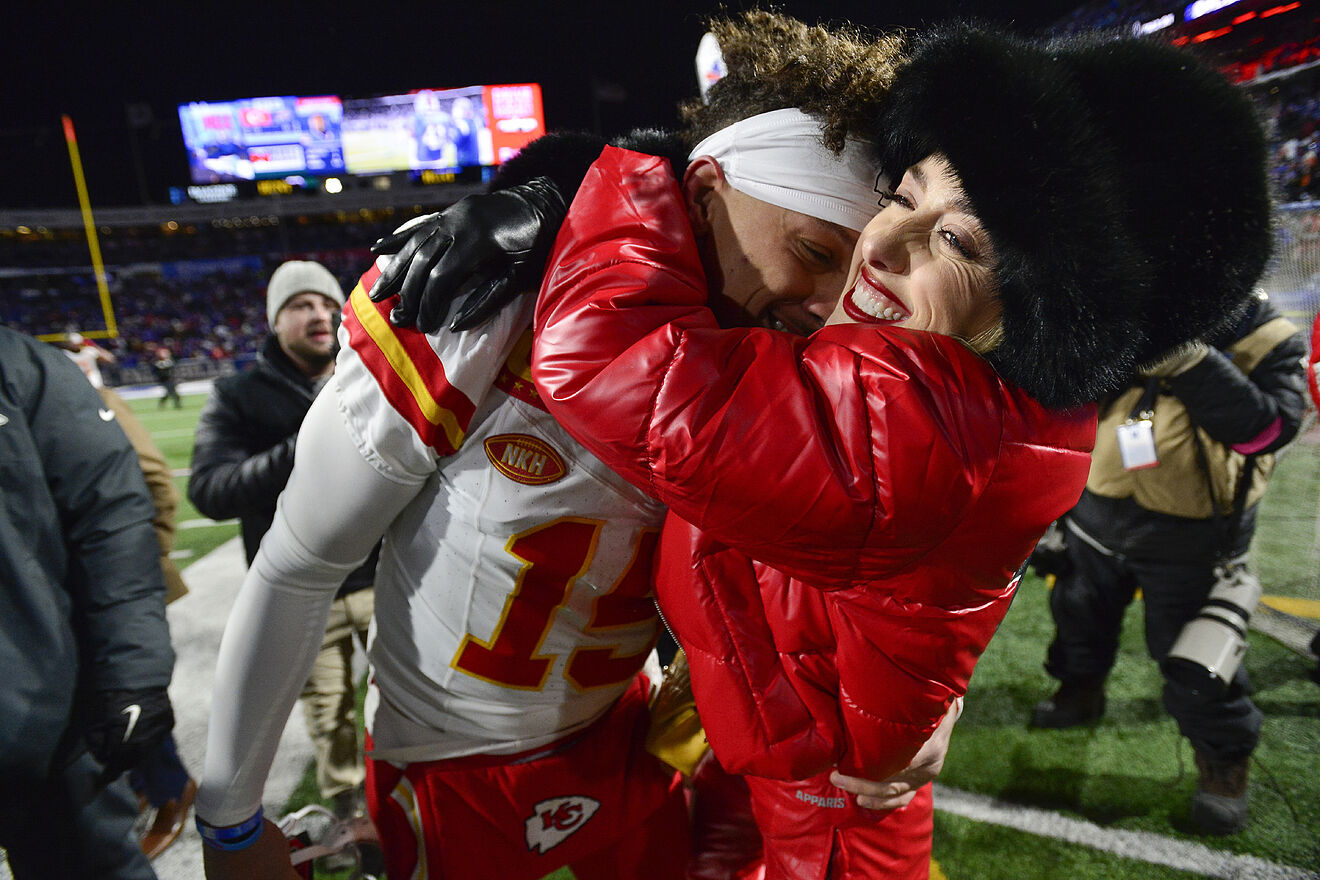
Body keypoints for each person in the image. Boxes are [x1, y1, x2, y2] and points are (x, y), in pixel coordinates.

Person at [376, 22, 1274, 879]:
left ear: (1052, 302)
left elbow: (605, 358)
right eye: (901, 196)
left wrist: (595, 182)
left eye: (956, 240)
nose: (876, 247)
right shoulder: (962, 368)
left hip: (830, 794)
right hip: (773, 724)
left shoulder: (921, 422)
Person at [196, 13, 933, 880]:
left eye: (854, 273)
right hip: (446, 753)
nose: (825, 303)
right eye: (812, 251)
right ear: (704, 192)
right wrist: (231, 822)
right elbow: (300, 563)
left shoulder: (793, 359)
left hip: (625, 730)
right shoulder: (491, 300)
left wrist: (926, 699)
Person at [1029, 288, 1305, 835]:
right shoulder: (1134, 306)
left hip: (1194, 537)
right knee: (1078, 613)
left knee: (1197, 657)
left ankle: (1222, 761)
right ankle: (1079, 692)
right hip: (1096, 510)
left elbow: (1269, 430)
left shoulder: (1271, 337)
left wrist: (1193, 359)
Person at [188, 260, 377, 821]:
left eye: (326, 302)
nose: (320, 314)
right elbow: (210, 490)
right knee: (330, 715)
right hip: (301, 590)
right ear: (276, 320)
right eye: (301, 305)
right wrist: (299, 449)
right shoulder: (238, 394)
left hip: (384, 573)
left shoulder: (366, 376)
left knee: (410, 702)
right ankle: (350, 818)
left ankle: (412, 810)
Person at [0, 325, 176, 878]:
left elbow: (112, 514)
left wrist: (132, 670)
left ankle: (171, 792)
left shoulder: (21, 366)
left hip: (42, 715)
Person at [71, 351, 197, 859]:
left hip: (106, 586)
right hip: (57, 592)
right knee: (88, 702)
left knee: (128, 695)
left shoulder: (73, 395)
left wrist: (145, 567)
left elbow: (155, 481)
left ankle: (170, 789)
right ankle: (145, 784)